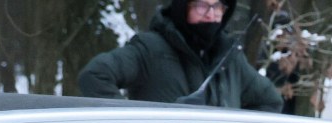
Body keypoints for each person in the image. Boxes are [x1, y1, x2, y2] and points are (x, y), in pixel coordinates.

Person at [77, 0, 283, 112]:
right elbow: (95, 75)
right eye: (202, 6)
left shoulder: (229, 58)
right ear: (183, 7)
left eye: (218, 6)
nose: (211, 15)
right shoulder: (150, 48)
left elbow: (270, 100)